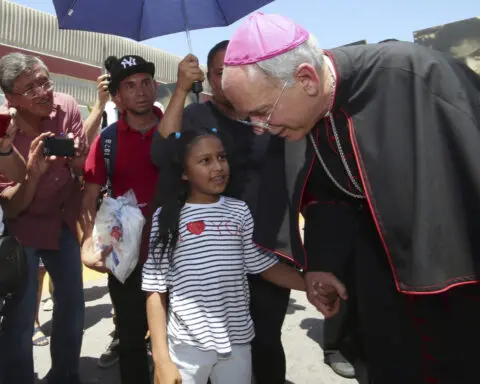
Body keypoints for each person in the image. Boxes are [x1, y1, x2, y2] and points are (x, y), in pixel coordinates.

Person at [221, 13, 480, 384]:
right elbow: (326, 194)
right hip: (379, 281)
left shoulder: (415, 74)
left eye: (263, 112)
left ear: (306, 79)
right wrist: (321, 263)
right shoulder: (302, 116)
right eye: (251, 119)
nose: (263, 128)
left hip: (454, 280)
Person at [151, 41, 292, 384]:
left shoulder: (274, 112)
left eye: (237, 71)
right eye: (220, 73)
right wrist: (182, 88)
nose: (229, 80)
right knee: (211, 346)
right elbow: (162, 151)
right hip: (215, 253)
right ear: (210, 79)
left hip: (269, 247)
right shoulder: (198, 115)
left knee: (267, 341)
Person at [143, 128, 307, 384]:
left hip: (237, 344)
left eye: (222, 157)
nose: (218, 167)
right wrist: (161, 359)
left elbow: (263, 267)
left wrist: (311, 284)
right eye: (205, 161)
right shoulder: (166, 218)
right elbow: (155, 290)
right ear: (184, 172)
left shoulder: (239, 212)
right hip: (186, 348)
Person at [0, 52, 87, 384]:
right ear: (11, 98)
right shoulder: (4, 132)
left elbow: (81, 172)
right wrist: (33, 176)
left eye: (44, 82)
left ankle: (66, 375)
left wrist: (79, 158)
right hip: (23, 229)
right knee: (20, 316)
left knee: (73, 308)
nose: (43, 92)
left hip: (62, 222)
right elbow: (11, 207)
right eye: (30, 87)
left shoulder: (67, 107)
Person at [81, 54, 163, 384]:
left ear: (155, 87)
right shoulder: (108, 140)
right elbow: (89, 196)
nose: (141, 91)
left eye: (146, 83)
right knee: (130, 338)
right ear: (117, 97)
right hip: (126, 259)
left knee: (179, 339)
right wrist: (88, 242)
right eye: (130, 86)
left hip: (178, 253)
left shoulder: (178, 131)